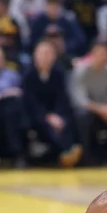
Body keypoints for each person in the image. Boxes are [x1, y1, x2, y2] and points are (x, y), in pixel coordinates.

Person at [23, 38, 82, 167]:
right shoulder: (28, 75)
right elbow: (31, 102)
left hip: (57, 112)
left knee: (67, 120)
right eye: (42, 54)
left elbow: (62, 98)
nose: (45, 57)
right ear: (35, 56)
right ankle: (65, 151)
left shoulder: (59, 74)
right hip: (37, 114)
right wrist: (48, 116)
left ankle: (70, 151)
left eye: (48, 54)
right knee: (44, 126)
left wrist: (58, 115)